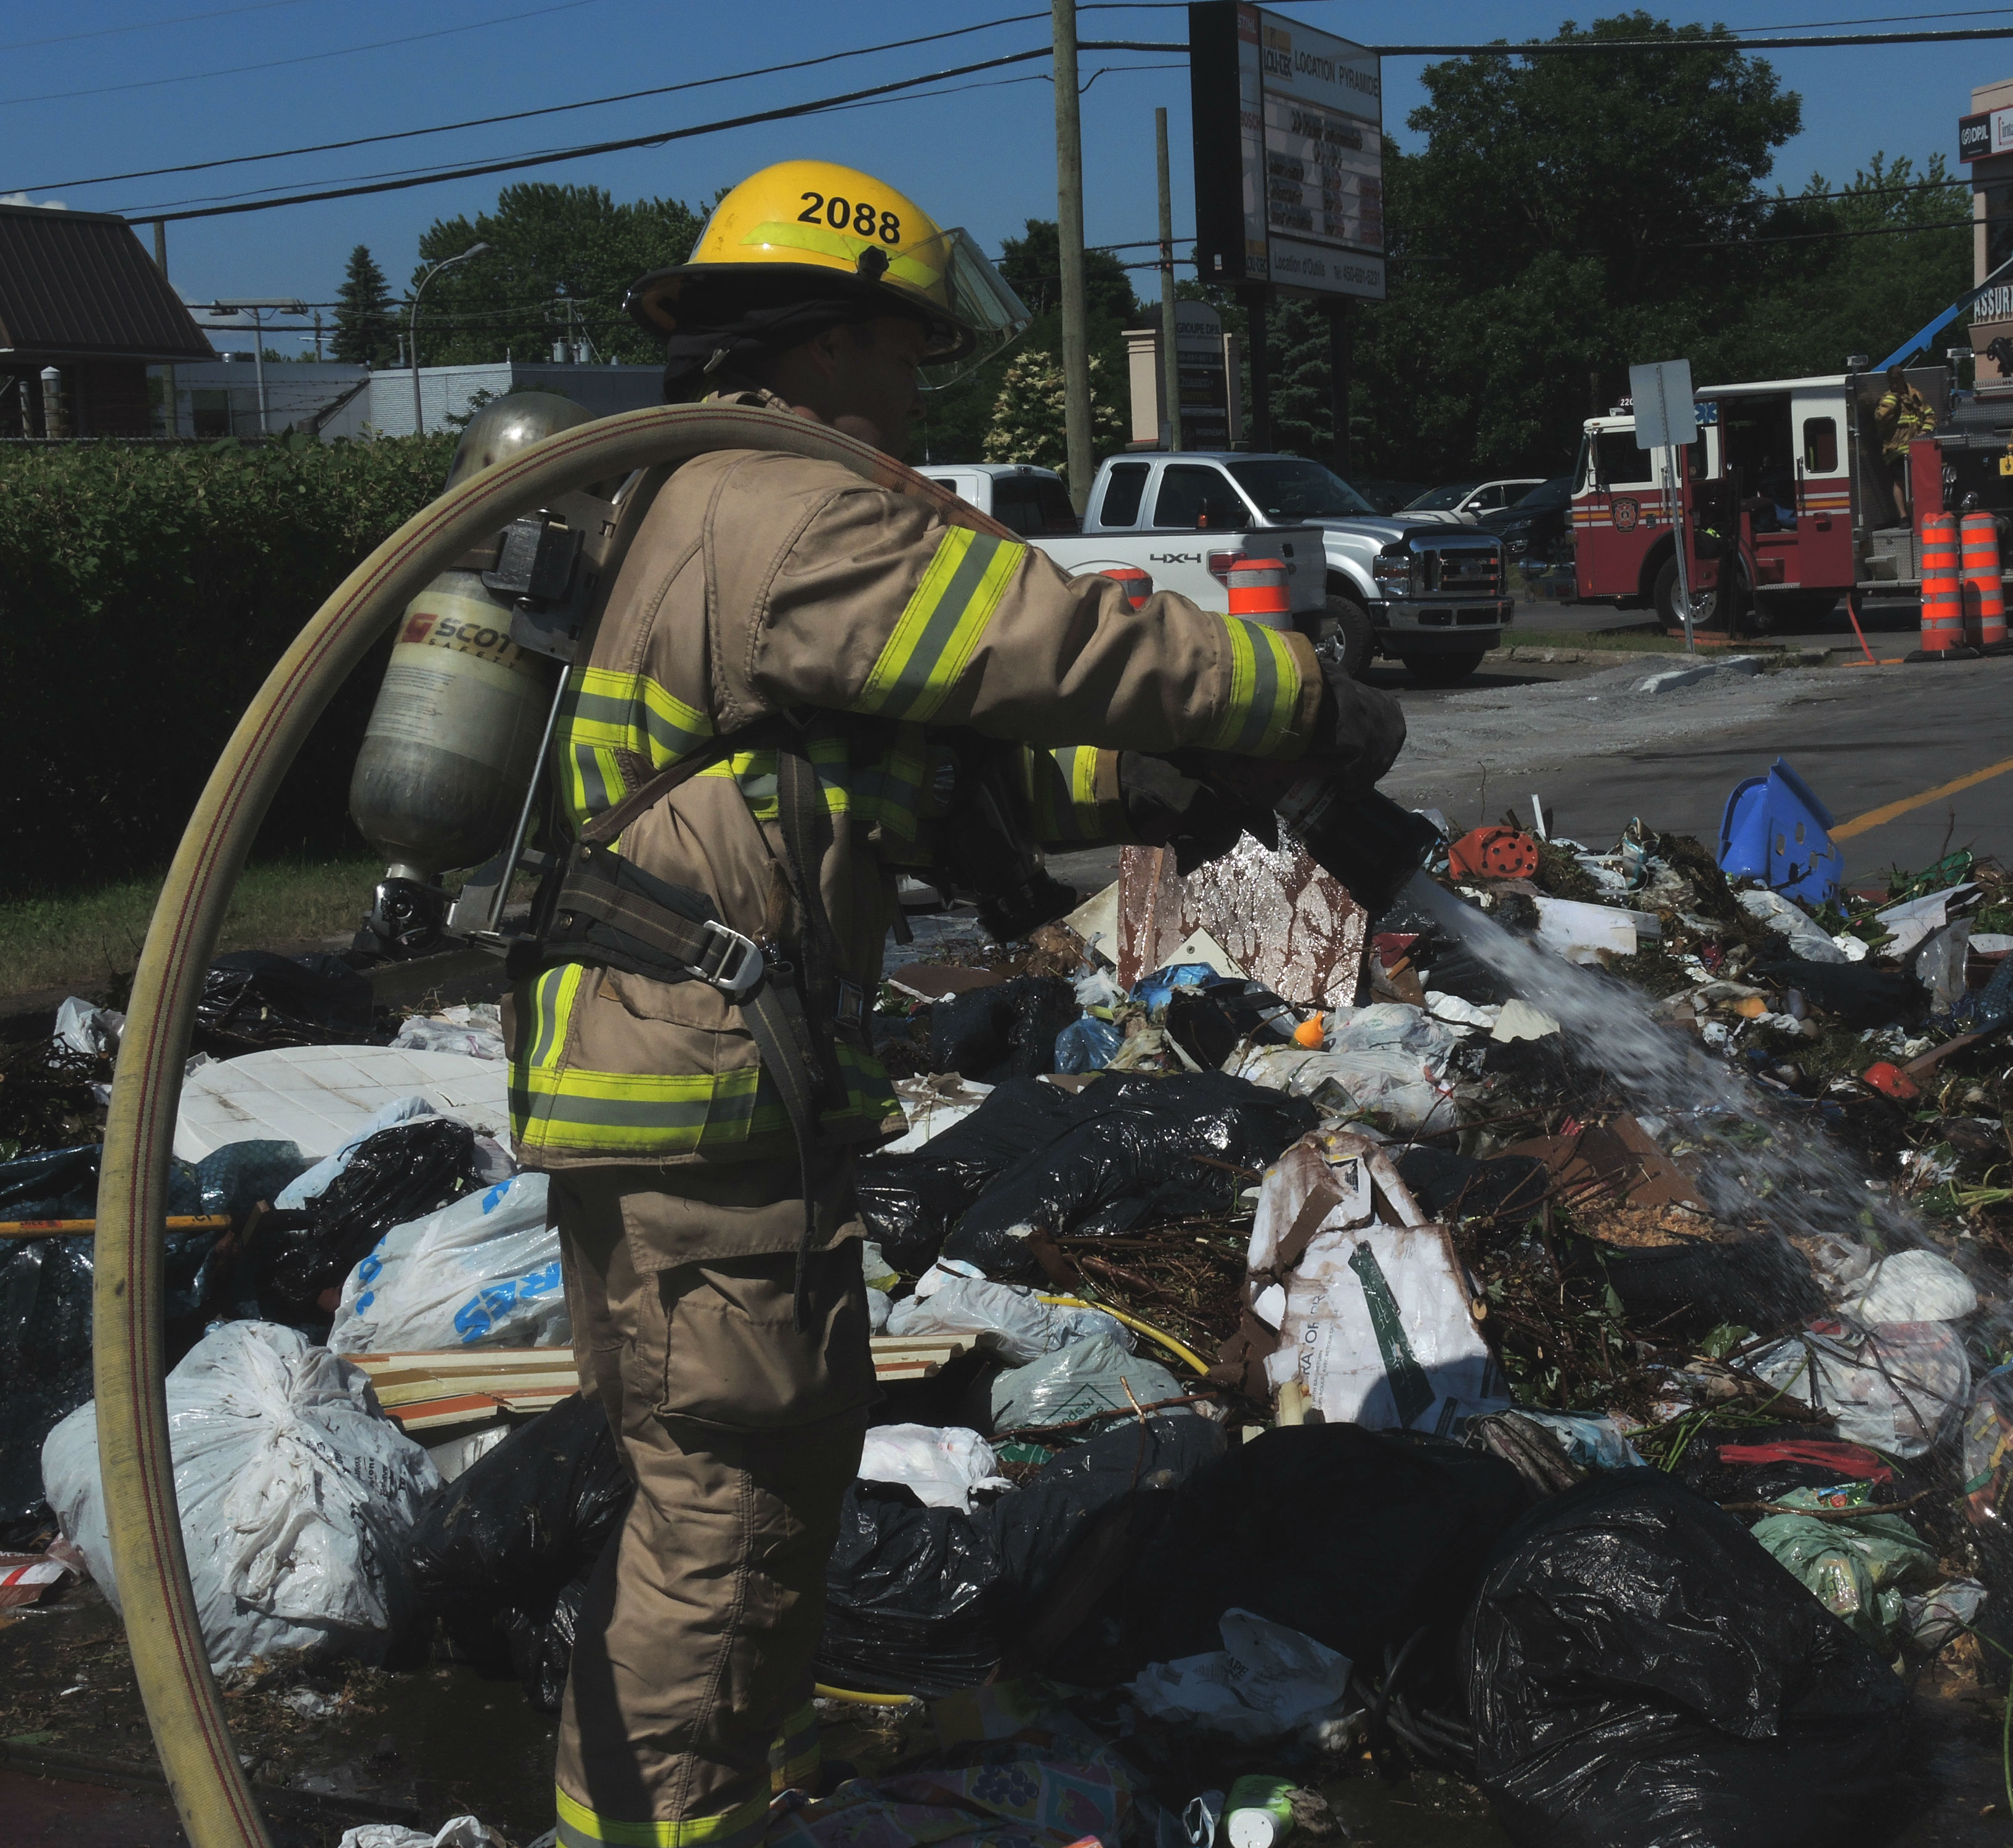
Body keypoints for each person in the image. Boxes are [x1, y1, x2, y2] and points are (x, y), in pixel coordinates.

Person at [518, 158, 1403, 1848]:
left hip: (681, 1091)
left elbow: (915, 778)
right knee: (726, 1515)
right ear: (832, 334)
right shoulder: (775, 508)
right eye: (907, 350)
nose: (916, 388)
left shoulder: (703, 511)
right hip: (701, 1095)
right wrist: (1286, 691)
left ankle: (706, 1806)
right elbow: (1040, 639)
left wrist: (1154, 792)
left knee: (739, 1496)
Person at [1874, 365, 1935, 522]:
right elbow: (1880, 417)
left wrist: (1924, 432)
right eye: (1892, 382)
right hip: (1896, 449)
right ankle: (1904, 516)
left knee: (1919, 481)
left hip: (1918, 447)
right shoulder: (1888, 398)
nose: (1895, 385)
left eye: (1897, 381)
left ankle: (1921, 513)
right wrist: (1894, 400)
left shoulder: (1916, 396)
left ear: (1902, 379)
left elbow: (1930, 416)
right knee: (1900, 481)